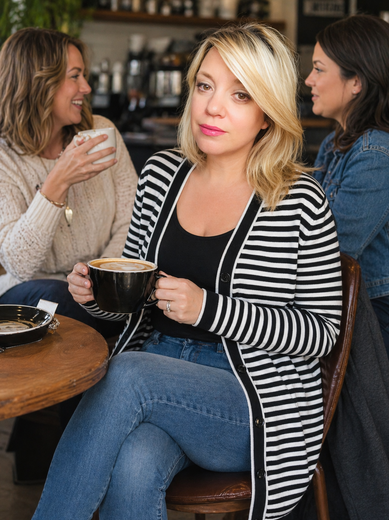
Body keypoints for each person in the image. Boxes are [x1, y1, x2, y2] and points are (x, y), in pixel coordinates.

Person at [32, 23, 342, 520]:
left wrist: (209, 309)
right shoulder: (160, 175)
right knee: (134, 464)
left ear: (267, 113)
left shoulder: (299, 200)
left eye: (240, 94)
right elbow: (129, 300)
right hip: (157, 372)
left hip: (250, 399)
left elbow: (322, 333)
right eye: (205, 85)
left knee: (127, 373)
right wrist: (96, 294)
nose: (212, 107)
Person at [0, 27, 137, 338]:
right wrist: (57, 182)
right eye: (75, 76)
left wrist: (99, 280)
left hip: (101, 293)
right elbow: (18, 264)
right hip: (24, 297)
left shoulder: (102, 133)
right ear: (39, 83)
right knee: (57, 295)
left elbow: (133, 219)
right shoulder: (4, 159)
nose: (86, 88)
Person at [305, 14, 389, 369]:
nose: (309, 80)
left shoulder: (379, 154)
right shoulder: (336, 143)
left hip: (375, 312)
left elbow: (326, 249)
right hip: (343, 302)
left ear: (356, 81)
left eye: (319, 69)